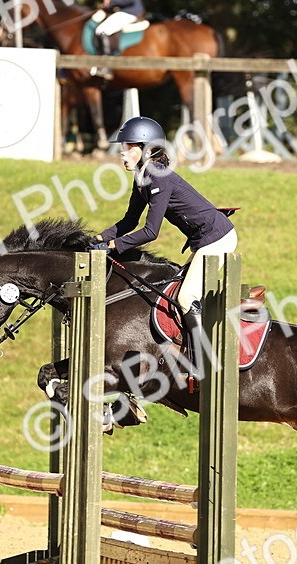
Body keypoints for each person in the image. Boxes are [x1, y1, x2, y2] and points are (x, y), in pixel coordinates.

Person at [93, 116, 237, 379]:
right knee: (178, 293)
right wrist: (97, 239)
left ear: (147, 149)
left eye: (128, 147)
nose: (122, 152)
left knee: (185, 297)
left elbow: (151, 232)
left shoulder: (159, 177)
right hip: (204, 240)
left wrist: (112, 246)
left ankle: (200, 362)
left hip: (218, 238)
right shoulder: (142, 176)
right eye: (122, 147)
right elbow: (128, 221)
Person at [89, 0, 144, 79]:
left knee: (101, 30)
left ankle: (105, 66)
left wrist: (111, 2)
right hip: (128, 11)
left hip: (129, 12)